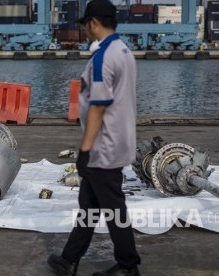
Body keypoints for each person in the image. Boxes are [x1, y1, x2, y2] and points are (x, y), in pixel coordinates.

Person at [47, 0, 141, 275]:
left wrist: (85, 150)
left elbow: (99, 106)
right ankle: (69, 260)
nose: (86, 31)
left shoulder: (103, 57)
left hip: (104, 147)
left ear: (94, 23)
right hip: (118, 140)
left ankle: (128, 266)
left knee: (113, 210)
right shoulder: (124, 51)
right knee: (89, 204)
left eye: (86, 25)